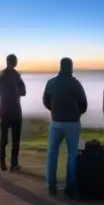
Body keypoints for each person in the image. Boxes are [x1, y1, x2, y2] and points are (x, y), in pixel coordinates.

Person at [42, 57, 88, 197]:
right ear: (71, 67)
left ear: (61, 67)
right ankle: (70, 188)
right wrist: (77, 113)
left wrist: (54, 110)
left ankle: (51, 185)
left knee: (52, 154)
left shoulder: (51, 82)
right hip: (72, 123)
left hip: (56, 122)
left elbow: (45, 101)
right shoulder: (75, 83)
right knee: (72, 155)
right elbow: (83, 104)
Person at [0, 53, 26, 171]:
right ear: (15, 62)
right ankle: (14, 163)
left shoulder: (0, 75)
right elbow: (23, 92)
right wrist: (16, 92)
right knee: (15, 138)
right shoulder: (17, 76)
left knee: (4, 137)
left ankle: (2, 161)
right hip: (15, 110)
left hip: (3, 109)